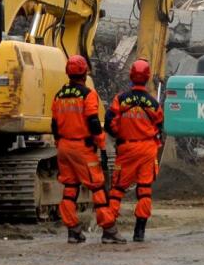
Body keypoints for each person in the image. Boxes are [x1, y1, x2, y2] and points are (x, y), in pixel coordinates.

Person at [51, 54, 121, 243]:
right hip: (82, 147)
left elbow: (54, 124)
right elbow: (92, 121)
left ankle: (73, 230)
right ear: (84, 72)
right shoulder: (88, 94)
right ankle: (109, 230)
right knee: (97, 187)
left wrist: (59, 143)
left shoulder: (59, 95)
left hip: (64, 146)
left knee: (70, 188)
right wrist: (101, 143)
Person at [106, 59, 164, 243]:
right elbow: (160, 126)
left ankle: (109, 229)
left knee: (117, 190)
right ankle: (139, 232)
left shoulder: (120, 99)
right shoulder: (153, 103)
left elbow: (109, 123)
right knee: (145, 190)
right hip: (147, 149)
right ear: (147, 78)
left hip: (126, 148)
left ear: (131, 75)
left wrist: (121, 134)